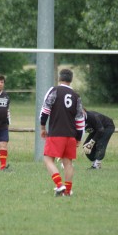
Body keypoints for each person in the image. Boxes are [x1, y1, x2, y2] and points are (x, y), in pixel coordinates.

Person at [40, 69, 85, 197]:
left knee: (48, 159)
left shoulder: (54, 91)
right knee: (68, 163)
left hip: (56, 133)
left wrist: (43, 127)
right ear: (71, 80)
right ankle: (68, 191)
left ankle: (60, 186)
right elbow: (80, 119)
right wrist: (78, 137)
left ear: (59, 78)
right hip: (70, 135)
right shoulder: (76, 96)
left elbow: (45, 111)